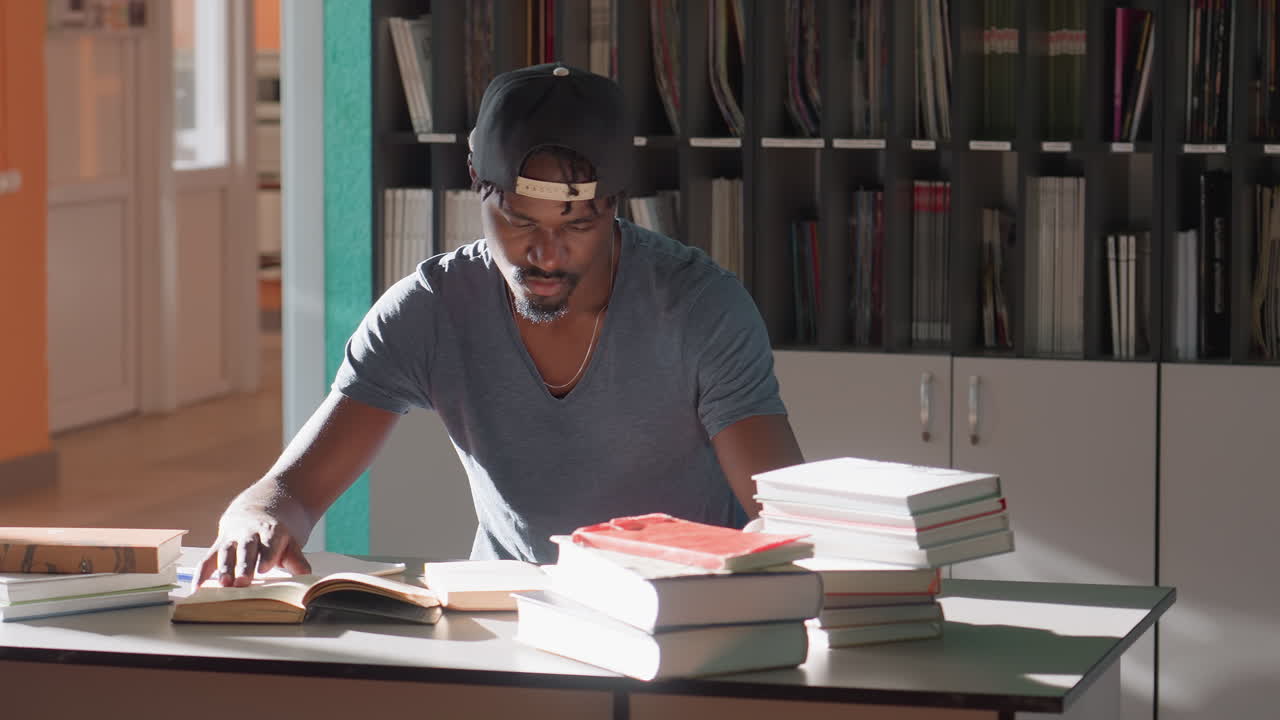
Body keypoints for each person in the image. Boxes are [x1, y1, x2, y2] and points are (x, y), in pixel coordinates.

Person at [195, 63, 805, 588]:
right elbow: (288, 492)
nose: (546, 254)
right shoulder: (429, 311)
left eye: (577, 226)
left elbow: (785, 512)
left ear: (616, 203)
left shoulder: (702, 308)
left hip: (679, 614)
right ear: (475, 183)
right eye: (519, 221)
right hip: (511, 608)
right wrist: (253, 519)